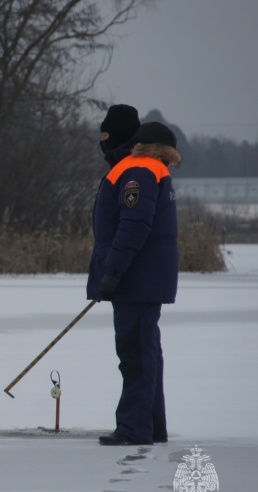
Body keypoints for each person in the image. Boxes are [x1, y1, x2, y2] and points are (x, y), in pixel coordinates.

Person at [87, 110, 182, 446]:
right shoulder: (149, 169)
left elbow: (133, 227)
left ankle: (133, 428)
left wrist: (112, 271)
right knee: (145, 352)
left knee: (136, 355)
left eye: (106, 138)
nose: (103, 145)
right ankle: (151, 426)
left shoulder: (137, 170)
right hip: (142, 279)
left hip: (135, 280)